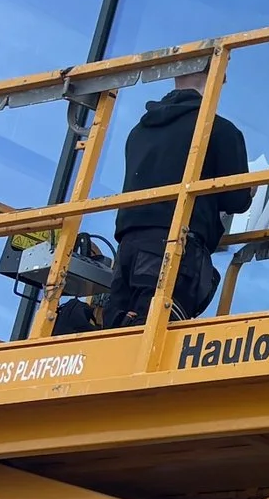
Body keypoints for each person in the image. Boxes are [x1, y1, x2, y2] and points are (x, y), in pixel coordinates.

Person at [101, 69, 253, 325]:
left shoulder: (139, 132)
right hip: (173, 248)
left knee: (115, 331)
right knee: (154, 331)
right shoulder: (218, 129)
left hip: (127, 248)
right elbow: (236, 199)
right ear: (220, 78)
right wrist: (249, 188)